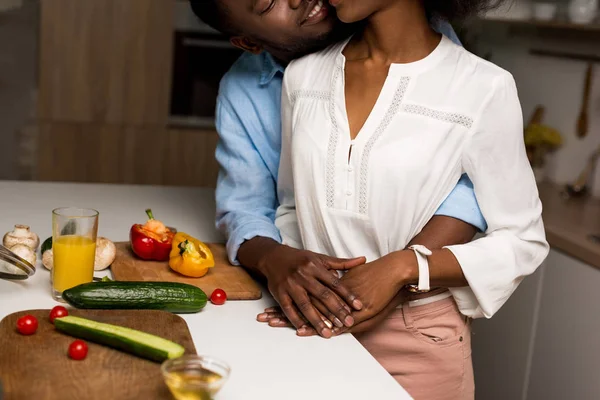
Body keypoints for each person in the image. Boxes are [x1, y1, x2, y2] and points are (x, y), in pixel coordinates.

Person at [269, 0, 548, 397]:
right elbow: (292, 209)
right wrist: (303, 293)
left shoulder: (482, 87)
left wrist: (406, 267)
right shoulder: (303, 76)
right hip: (317, 330)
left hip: (417, 343)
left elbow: (524, 240)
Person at [190, 0, 489, 340]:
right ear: (249, 42)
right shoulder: (249, 90)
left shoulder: (418, 37)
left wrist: (397, 275)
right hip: (308, 313)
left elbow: (469, 186)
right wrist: (275, 259)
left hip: (418, 311)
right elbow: (246, 206)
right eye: (269, 3)